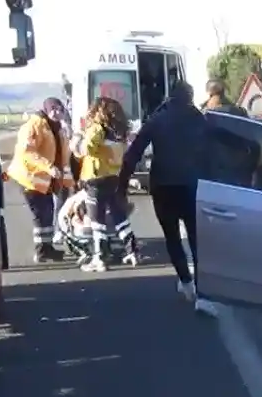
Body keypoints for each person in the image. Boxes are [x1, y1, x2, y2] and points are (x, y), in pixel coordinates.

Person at [117, 80, 218, 315]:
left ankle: (186, 283)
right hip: (191, 187)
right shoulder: (199, 119)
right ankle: (202, 295)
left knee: (172, 237)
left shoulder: (157, 120)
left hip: (163, 187)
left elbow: (132, 155)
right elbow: (216, 147)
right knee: (196, 238)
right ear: (190, 97)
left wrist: (121, 188)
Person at [8, 97, 74, 263]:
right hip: (29, 177)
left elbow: (63, 158)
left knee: (47, 211)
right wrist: (49, 167)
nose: (57, 112)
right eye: (53, 109)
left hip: (45, 180)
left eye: (60, 109)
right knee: (41, 213)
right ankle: (41, 251)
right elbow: (27, 152)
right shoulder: (34, 125)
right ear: (46, 109)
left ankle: (47, 248)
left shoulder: (58, 129)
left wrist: (68, 182)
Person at [78, 97, 140, 272]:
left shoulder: (98, 128)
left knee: (97, 220)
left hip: (96, 177)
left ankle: (99, 258)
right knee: (119, 216)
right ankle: (132, 251)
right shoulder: (119, 132)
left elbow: (87, 148)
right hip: (113, 176)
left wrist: (80, 143)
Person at [55, 186, 96, 265]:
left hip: (81, 231)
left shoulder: (74, 198)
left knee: (69, 234)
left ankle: (85, 251)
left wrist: (66, 232)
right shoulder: (104, 194)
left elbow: (62, 217)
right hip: (99, 230)